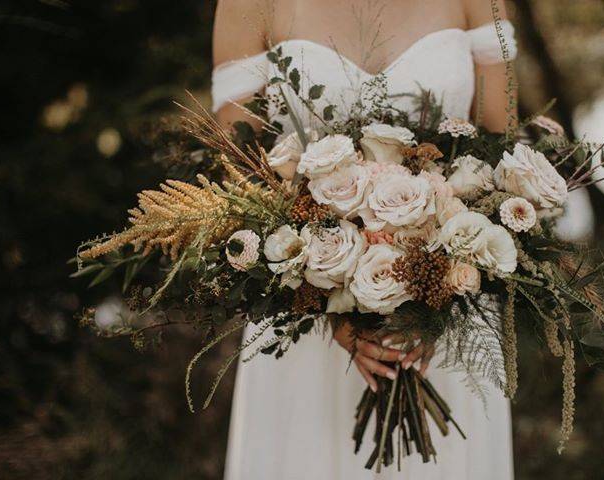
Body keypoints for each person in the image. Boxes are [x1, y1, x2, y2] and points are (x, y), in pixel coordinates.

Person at [212, 1, 517, 478]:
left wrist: (433, 299)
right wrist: (329, 298)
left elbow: (501, 154)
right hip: (302, 319)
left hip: (449, 317)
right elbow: (238, 167)